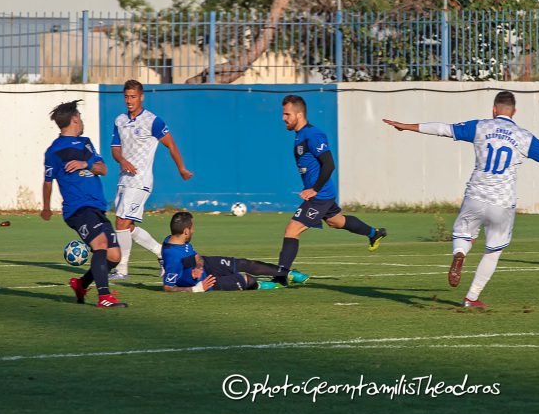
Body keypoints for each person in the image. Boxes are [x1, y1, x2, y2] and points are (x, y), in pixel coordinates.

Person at [383, 90, 539, 308]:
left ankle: (460, 253)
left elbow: (443, 129)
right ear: (514, 112)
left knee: (463, 234)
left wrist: (406, 126)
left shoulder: (481, 126)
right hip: (502, 203)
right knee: (493, 251)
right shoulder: (524, 136)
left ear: (494, 109)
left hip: (475, 195)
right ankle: (471, 297)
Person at [274, 94, 386, 284]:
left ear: (299, 114)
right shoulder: (299, 135)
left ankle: (280, 278)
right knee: (336, 222)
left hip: (320, 195)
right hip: (322, 194)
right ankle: (374, 233)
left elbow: (329, 164)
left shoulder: (313, 135)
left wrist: (315, 189)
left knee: (291, 230)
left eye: (287, 114)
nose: (283, 118)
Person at [41, 99, 127, 308]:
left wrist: (85, 163)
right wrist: (46, 207)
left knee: (114, 256)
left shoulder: (86, 142)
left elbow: (103, 169)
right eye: (80, 117)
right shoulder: (53, 151)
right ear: (74, 119)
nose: (81, 121)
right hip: (78, 209)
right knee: (101, 246)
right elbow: (48, 181)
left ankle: (81, 284)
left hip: (96, 206)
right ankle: (104, 297)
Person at [109, 79, 193, 280]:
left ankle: (122, 270)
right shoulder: (120, 120)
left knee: (121, 223)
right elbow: (115, 149)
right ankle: (160, 253)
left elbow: (171, 145)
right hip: (124, 180)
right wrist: (121, 160)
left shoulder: (152, 121)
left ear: (141, 97)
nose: (129, 101)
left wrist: (181, 168)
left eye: (133, 97)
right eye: (126, 97)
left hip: (141, 180)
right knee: (125, 226)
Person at [161, 211, 309, 292]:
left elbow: (196, 256)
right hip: (204, 282)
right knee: (246, 279)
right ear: (186, 231)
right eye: (192, 228)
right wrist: (197, 288)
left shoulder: (175, 239)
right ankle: (273, 284)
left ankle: (288, 273)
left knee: (244, 263)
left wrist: (199, 266)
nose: (194, 230)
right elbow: (168, 287)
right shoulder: (173, 257)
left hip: (205, 265)